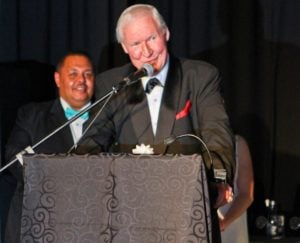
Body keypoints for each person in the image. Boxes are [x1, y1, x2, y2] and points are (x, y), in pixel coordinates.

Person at [77, 4, 236, 242]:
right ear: (124, 47)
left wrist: (219, 182)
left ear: (166, 33)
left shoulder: (200, 76)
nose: (146, 51)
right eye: (135, 44)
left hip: (188, 213)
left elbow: (217, 135)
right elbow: (90, 143)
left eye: (151, 38)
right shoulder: (111, 84)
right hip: (128, 218)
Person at [4, 51, 95, 243]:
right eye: (73, 74)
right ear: (57, 78)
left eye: (88, 74)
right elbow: (13, 157)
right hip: (39, 225)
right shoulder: (32, 115)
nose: (81, 80)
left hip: (91, 227)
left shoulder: (107, 116)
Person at [218, 135, 254, 242]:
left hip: (228, 227)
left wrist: (224, 223)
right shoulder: (186, 140)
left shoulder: (236, 143)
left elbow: (246, 194)